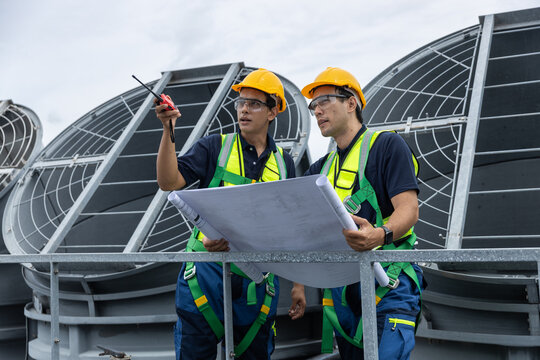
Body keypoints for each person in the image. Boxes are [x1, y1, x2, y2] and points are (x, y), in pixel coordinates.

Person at [155, 68, 306, 360]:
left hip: (257, 287)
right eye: (241, 103)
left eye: (254, 104)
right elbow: (168, 182)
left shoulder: (284, 163)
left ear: (273, 112)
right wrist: (167, 128)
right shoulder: (215, 147)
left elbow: (293, 226)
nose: (244, 110)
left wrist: (298, 284)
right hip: (205, 280)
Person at [302, 67, 424, 359]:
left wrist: (379, 235)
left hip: (389, 284)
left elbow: (408, 210)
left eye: (324, 101)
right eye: (313, 106)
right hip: (343, 293)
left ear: (351, 102)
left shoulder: (386, 146)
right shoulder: (318, 170)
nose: (317, 111)